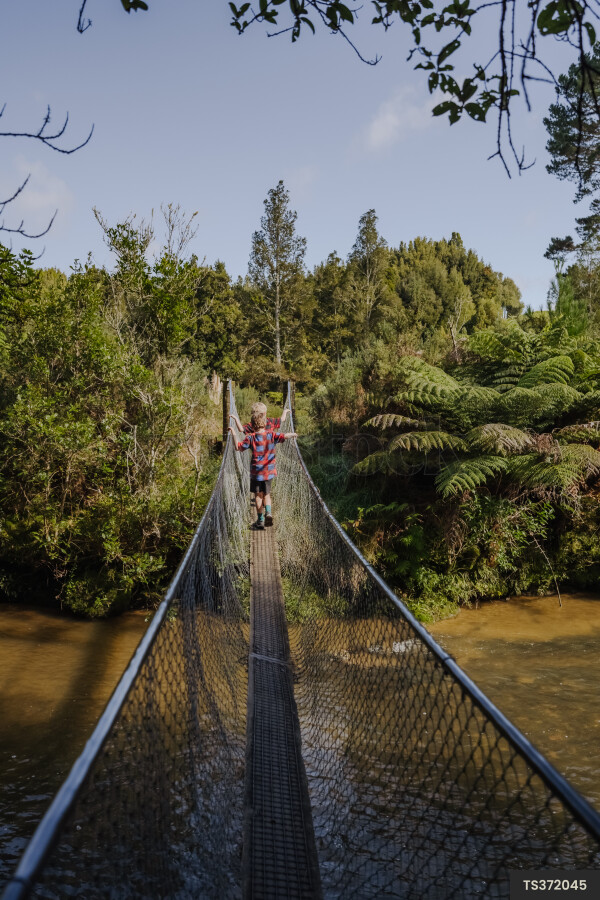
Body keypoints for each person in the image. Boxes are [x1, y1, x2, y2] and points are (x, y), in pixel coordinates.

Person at [229, 408, 297, 529]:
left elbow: (238, 447)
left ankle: (260, 520)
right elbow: (284, 436)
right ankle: (269, 513)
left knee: (258, 496)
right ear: (265, 424)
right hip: (269, 472)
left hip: (256, 473)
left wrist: (233, 432)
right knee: (267, 495)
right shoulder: (271, 434)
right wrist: (293, 434)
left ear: (252, 426)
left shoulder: (250, 438)